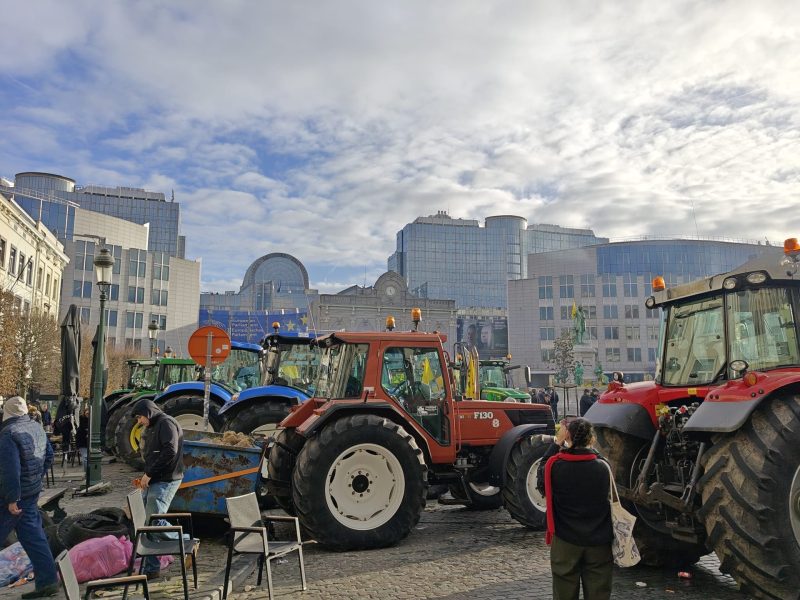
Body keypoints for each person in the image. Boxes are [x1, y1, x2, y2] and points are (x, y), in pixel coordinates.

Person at [543, 417, 613, 600]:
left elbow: (541, 477)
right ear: (591, 439)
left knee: (564, 593)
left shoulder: (555, 466)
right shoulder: (602, 467)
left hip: (565, 539)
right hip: (599, 540)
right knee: (599, 593)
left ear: (568, 437)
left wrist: (557, 442)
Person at [0, 396, 58, 598]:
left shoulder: (8, 433)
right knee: (34, 536)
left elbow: (10, 470)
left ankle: (48, 582)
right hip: (31, 491)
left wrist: (12, 498)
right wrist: (36, 478)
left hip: (15, 495)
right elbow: (49, 455)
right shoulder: (36, 427)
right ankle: (48, 581)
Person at [131, 398, 185, 580]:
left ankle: (187, 542)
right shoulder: (154, 425)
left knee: (155, 522)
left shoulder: (166, 423)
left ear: (148, 412)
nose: (139, 422)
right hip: (154, 478)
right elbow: (153, 453)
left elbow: (170, 451)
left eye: (140, 418)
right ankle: (152, 567)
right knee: (148, 522)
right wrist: (146, 475)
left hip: (166, 479)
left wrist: (150, 474)